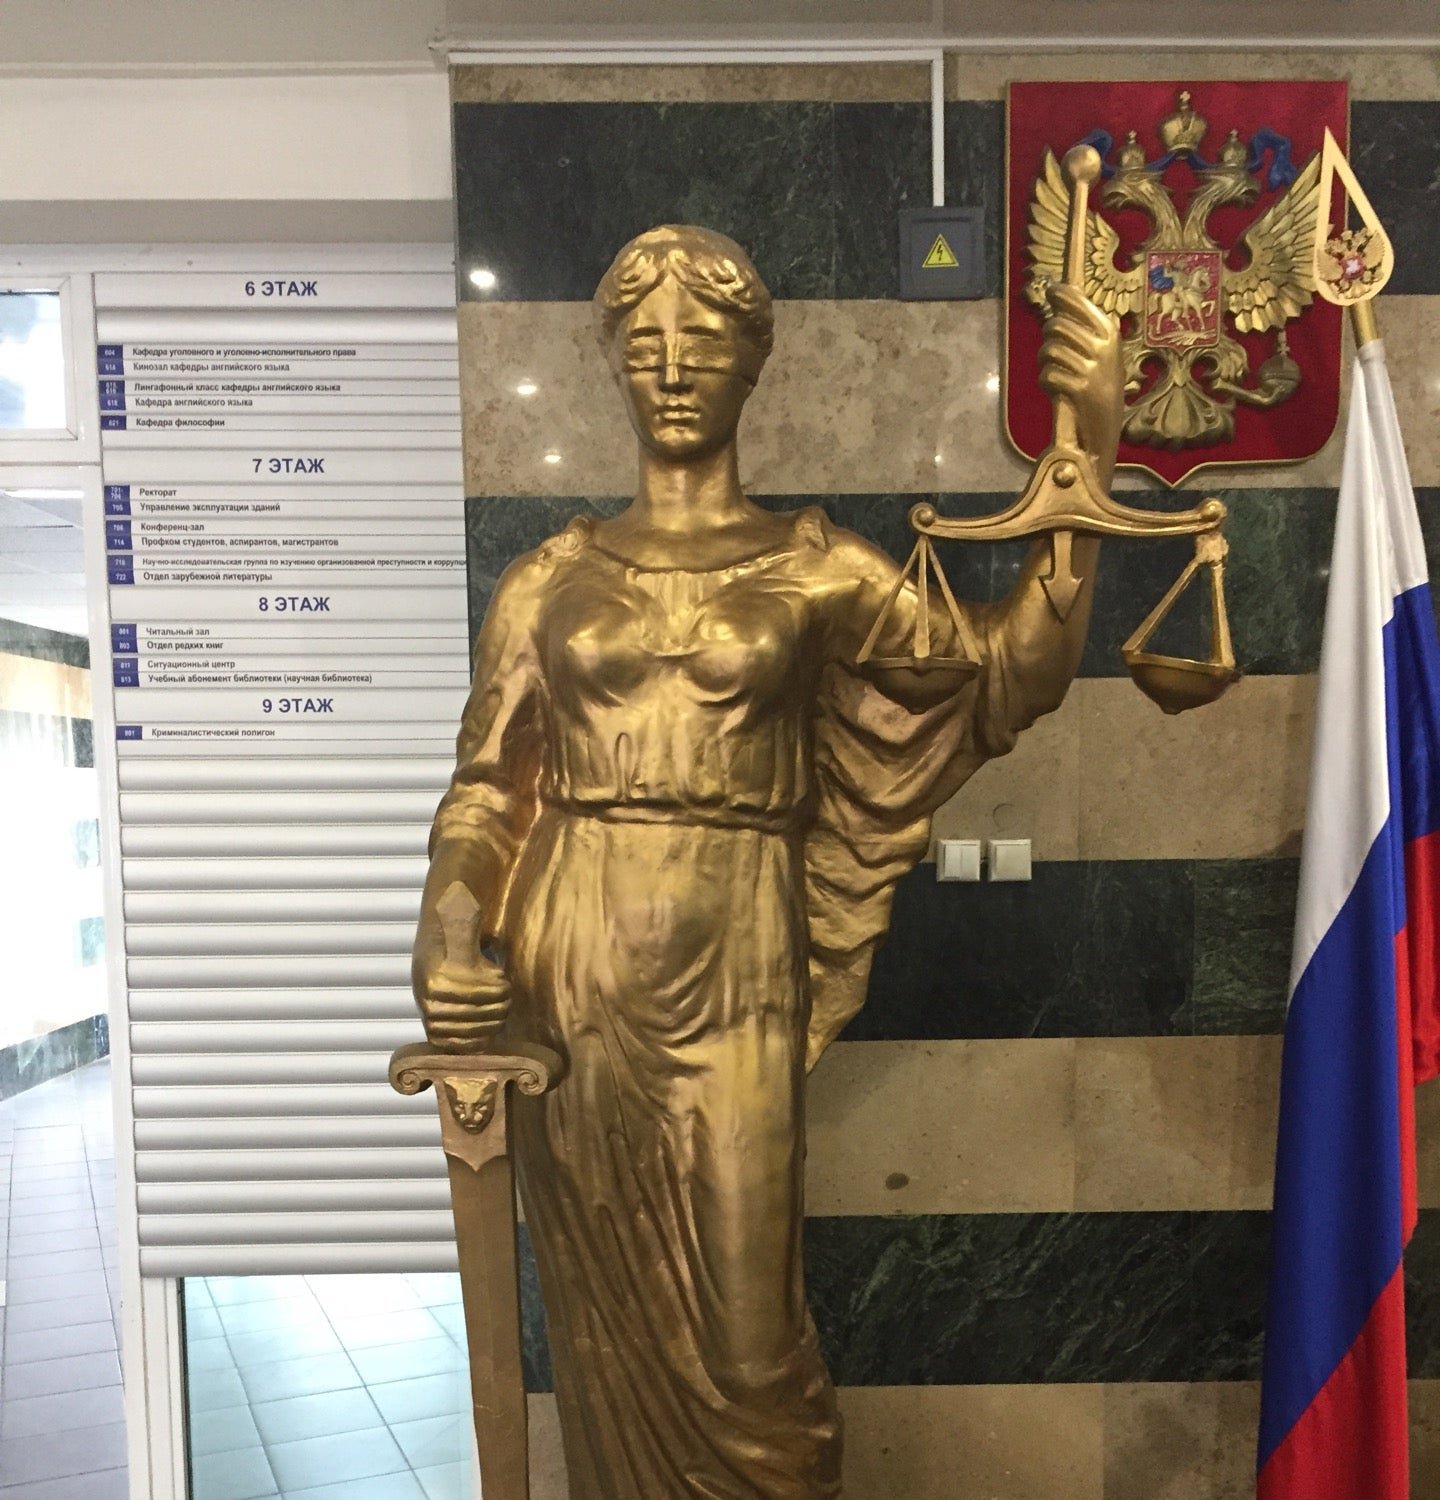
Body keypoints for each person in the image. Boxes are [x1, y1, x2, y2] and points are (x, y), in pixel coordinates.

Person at [412, 225, 1121, 1500]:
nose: (672, 365)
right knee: (606, 1318)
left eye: (705, 339)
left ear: (754, 363)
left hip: (738, 960)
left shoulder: (820, 567)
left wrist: (1090, 473)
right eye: (644, 341)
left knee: (754, 1353)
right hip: (573, 971)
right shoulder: (547, 581)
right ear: (611, 364)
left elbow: (1010, 676)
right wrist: (448, 919)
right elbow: (486, 790)